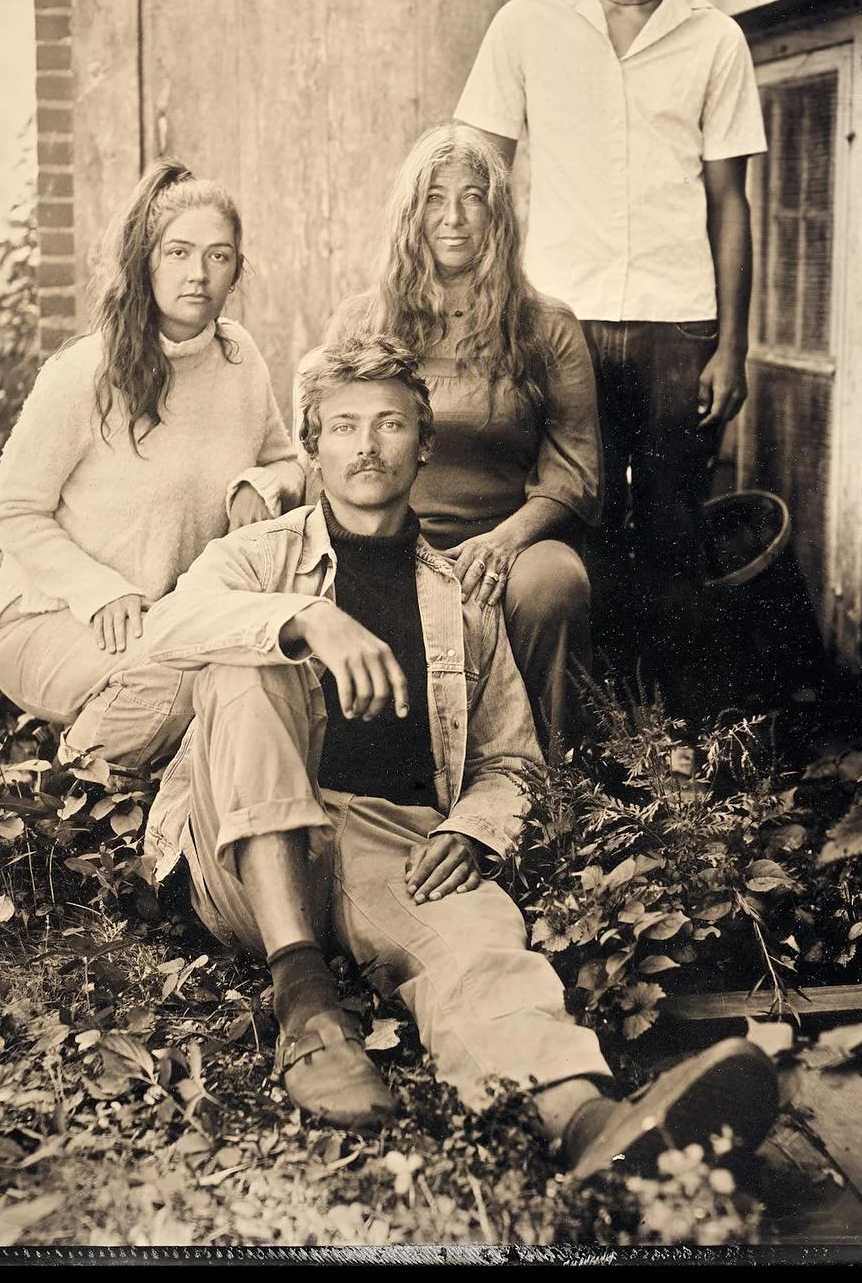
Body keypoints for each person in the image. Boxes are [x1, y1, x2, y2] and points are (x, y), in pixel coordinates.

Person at [138, 335, 779, 1173]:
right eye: (342, 426)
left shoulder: (458, 595)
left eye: (390, 424)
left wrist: (473, 829)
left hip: (389, 841)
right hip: (242, 847)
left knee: (481, 946)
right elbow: (168, 626)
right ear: (311, 444)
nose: (366, 445)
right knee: (245, 667)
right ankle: (307, 1007)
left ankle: (592, 1124)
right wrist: (305, 621)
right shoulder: (262, 557)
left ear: (425, 444)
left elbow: (512, 760)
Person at [454, 0, 768, 717]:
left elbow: (729, 204)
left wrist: (732, 348)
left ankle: (673, 744)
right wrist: (483, 309)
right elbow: (477, 176)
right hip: (559, 319)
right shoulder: (527, 23)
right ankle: (574, 730)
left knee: (672, 533)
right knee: (570, 519)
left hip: (677, 323)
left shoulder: (713, 39)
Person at [0, 161, 306, 782]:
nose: (198, 274)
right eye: (178, 252)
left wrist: (263, 485)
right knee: (183, 678)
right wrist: (100, 588)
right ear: (145, 260)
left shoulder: (240, 359)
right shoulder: (87, 372)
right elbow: (11, 510)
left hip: (173, 616)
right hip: (54, 617)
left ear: (237, 269)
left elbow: (284, 462)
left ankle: (164, 816)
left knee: (252, 667)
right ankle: (67, 804)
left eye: (219, 256)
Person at [317, 123, 601, 757]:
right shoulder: (362, 321)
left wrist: (507, 541)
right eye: (434, 199)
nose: (453, 218)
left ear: (497, 215)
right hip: (387, 534)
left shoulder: (546, 326)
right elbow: (326, 450)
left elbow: (575, 476)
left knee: (554, 583)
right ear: (409, 213)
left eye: (473, 197)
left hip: (508, 539)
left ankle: (560, 788)